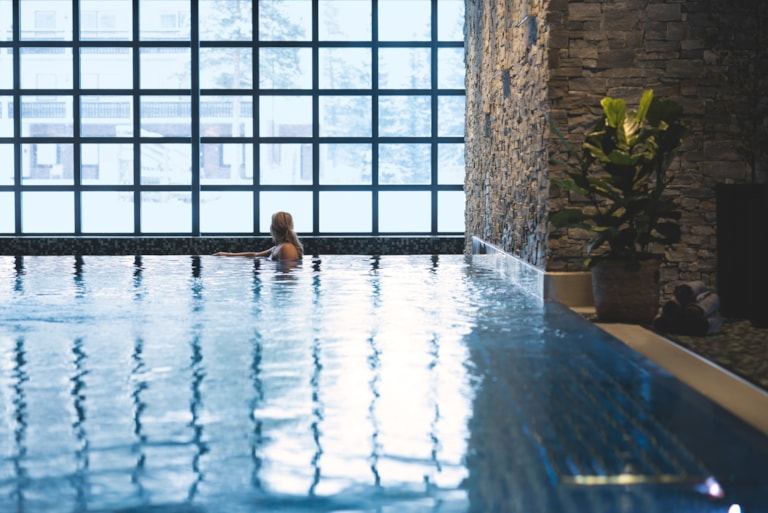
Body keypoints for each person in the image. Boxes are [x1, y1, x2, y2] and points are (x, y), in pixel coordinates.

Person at [215, 211, 304, 261]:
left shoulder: (286, 248)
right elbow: (255, 255)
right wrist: (226, 254)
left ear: (273, 227)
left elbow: (288, 277)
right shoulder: (278, 247)